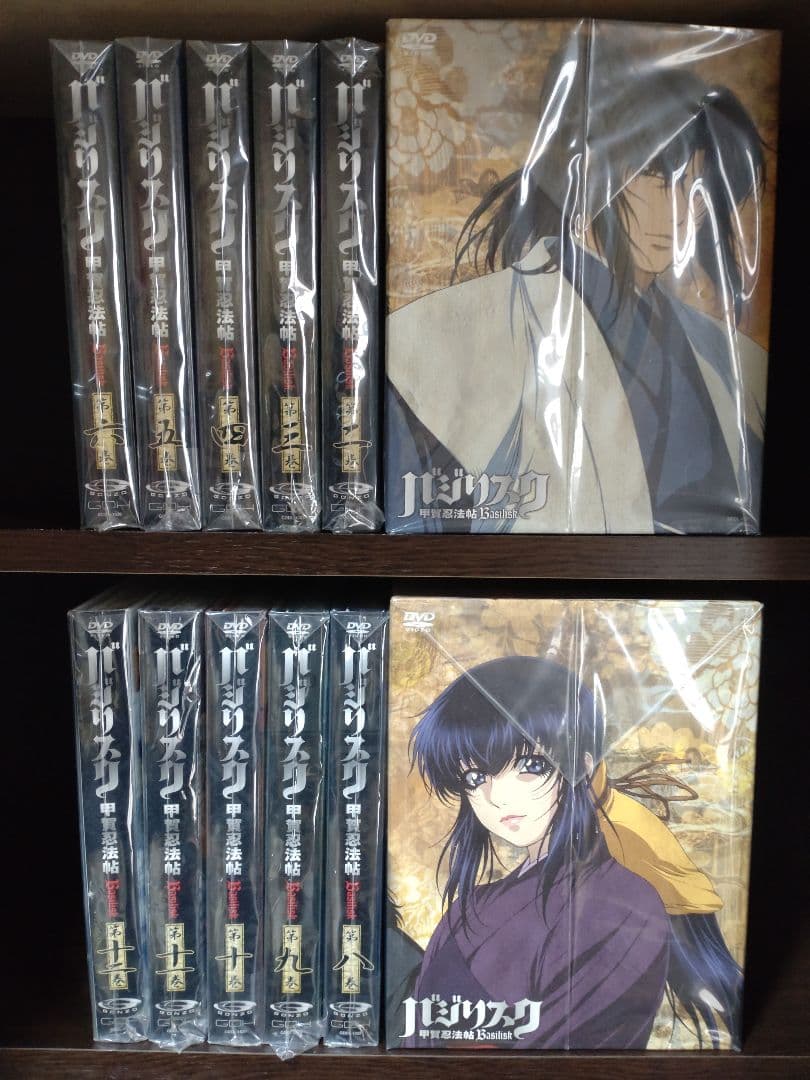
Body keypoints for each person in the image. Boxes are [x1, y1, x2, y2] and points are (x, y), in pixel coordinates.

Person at [386, 25, 768, 534]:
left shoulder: (726, 359)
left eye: (694, 190)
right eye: (654, 178)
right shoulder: (446, 331)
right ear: (592, 171)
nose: (678, 214)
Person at [396, 655, 742, 1049]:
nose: (496, 796)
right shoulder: (467, 909)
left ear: (583, 766)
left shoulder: (625, 905)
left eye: (530, 766)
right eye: (475, 777)